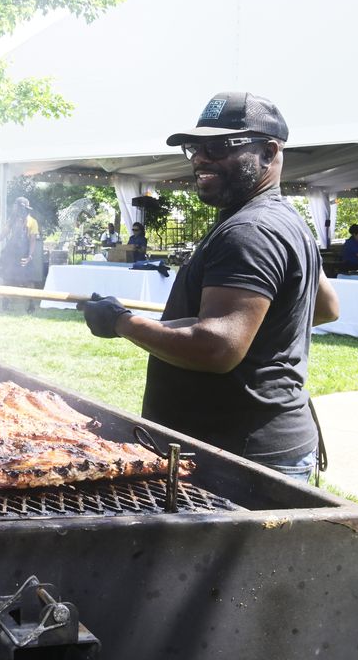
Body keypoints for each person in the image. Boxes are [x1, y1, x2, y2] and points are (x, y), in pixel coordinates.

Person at [79, 91, 340, 482]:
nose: (201, 157)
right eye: (194, 147)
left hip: (235, 458)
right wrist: (261, 331)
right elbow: (325, 307)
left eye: (218, 147)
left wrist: (121, 322)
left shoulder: (250, 231)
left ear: (269, 152)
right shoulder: (284, 218)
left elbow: (217, 347)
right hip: (257, 446)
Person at [0, 196, 42, 312]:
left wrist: (29, 256)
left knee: (28, 281)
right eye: (15, 207)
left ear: (24, 208)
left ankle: (31, 304)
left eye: (17, 207)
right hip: (11, 254)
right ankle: (6, 303)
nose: (15, 209)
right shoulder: (12, 220)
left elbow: (32, 241)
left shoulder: (32, 222)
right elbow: (1, 236)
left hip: (24, 254)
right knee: (7, 279)